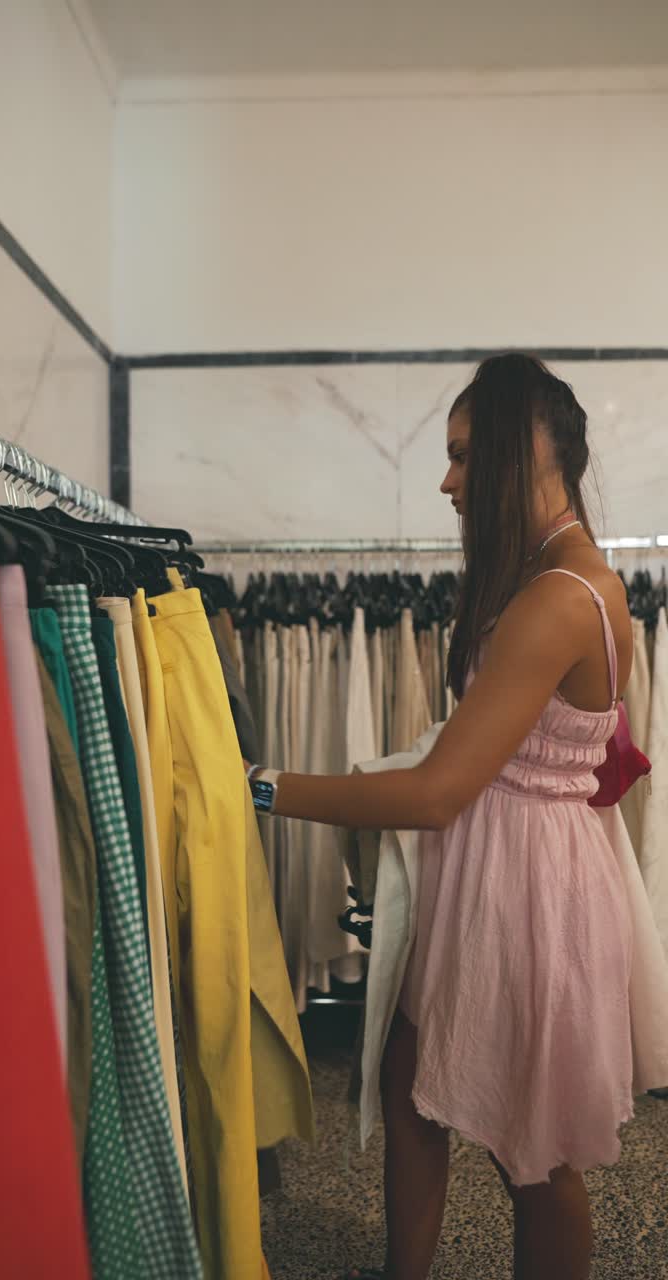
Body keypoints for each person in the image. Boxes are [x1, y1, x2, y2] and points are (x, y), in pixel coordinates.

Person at [246, 353, 638, 1280]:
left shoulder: (558, 598)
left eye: (464, 456)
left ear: (521, 453)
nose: (447, 480)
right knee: (413, 1086)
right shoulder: (549, 578)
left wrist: (259, 785)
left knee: (530, 1152)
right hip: (500, 867)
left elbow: (436, 792)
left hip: (522, 885)